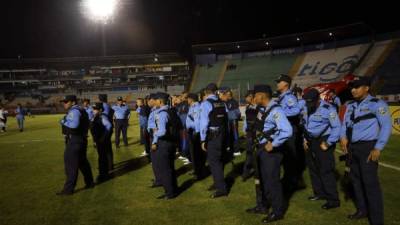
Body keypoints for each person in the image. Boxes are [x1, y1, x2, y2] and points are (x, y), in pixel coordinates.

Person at [340, 76, 391, 225]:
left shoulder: (377, 104)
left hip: (368, 147)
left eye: (357, 87)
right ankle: (362, 210)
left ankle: (376, 220)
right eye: (352, 87)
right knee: (356, 181)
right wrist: (343, 137)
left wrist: (378, 147)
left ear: (367, 88)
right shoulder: (351, 105)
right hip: (353, 148)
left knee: (370, 183)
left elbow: (386, 126)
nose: (353, 90)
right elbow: (345, 124)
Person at [251, 84, 292, 223]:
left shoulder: (276, 111)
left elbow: (287, 130)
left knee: (271, 182)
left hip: (271, 152)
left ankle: (277, 211)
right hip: (261, 148)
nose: (254, 98)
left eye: (255, 95)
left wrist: (273, 144)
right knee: (261, 180)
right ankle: (262, 206)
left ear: (262, 96)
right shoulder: (263, 109)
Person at [302, 88, 341, 209]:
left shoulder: (328, 109)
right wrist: (304, 139)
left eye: (312, 102)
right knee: (313, 168)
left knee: (326, 170)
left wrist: (329, 143)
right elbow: (304, 123)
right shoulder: (306, 106)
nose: (309, 104)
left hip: (324, 139)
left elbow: (337, 127)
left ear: (318, 99)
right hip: (310, 140)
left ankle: (333, 199)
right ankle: (319, 193)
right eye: (308, 102)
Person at [57, 95, 94, 195]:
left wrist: (63, 121)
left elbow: (74, 126)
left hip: (75, 140)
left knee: (71, 165)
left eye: (66, 102)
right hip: (81, 139)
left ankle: (68, 190)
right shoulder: (81, 110)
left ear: (73, 102)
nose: (64, 103)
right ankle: (90, 182)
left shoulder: (74, 111)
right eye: (63, 102)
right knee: (83, 163)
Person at [200, 83, 229, 198]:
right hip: (223, 134)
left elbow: (204, 123)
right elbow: (226, 120)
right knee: (219, 160)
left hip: (213, 135)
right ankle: (218, 182)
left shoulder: (206, 104)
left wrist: (202, 139)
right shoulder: (222, 103)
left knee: (214, 162)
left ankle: (221, 188)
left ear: (206, 92)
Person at [275, 74, 303, 190]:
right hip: (284, 129)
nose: (277, 84)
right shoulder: (282, 96)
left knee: (290, 156)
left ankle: (293, 181)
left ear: (285, 84)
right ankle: (288, 178)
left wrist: (282, 114)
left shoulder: (289, 97)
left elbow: (296, 110)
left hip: (290, 129)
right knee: (286, 156)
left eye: (279, 82)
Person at [151, 92, 179, 199]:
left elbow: (162, 131)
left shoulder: (161, 113)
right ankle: (173, 189)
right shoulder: (172, 110)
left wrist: (155, 132)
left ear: (160, 101)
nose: (155, 101)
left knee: (165, 169)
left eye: (156, 100)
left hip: (164, 143)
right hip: (172, 142)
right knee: (170, 167)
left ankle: (169, 193)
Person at [90, 102, 113, 183]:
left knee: (102, 157)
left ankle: (103, 175)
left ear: (100, 110)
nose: (93, 110)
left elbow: (109, 126)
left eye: (95, 109)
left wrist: (103, 137)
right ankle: (103, 173)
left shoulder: (102, 117)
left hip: (102, 141)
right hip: (98, 140)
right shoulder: (96, 117)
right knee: (101, 157)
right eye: (93, 109)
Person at [186, 93, 206, 179]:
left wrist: (191, 126)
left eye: (188, 98)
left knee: (197, 154)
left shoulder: (196, 108)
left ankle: (199, 173)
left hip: (195, 132)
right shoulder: (192, 107)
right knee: (193, 153)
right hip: (192, 132)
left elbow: (197, 122)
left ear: (191, 99)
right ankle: (196, 170)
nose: (187, 100)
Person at [147, 93, 162, 188]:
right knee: (155, 160)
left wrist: (154, 141)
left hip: (155, 137)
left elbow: (157, 128)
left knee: (156, 160)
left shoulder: (157, 111)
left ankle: (159, 180)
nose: (148, 101)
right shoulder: (153, 110)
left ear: (154, 100)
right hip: (153, 136)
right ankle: (158, 178)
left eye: (149, 99)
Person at [242, 90, 257, 181]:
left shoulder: (258, 107)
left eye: (246, 97)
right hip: (249, 133)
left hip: (257, 132)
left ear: (251, 97)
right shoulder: (248, 107)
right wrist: (245, 129)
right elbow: (246, 120)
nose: (245, 99)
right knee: (249, 153)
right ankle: (246, 172)